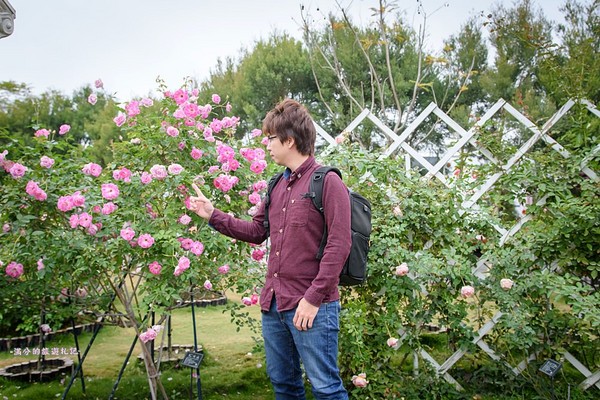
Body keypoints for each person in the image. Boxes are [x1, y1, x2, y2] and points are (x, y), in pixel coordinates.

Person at [189, 98, 351, 400]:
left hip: (311, 307)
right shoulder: (277, 184)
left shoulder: (327, 182)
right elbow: (256, 232)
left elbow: (339, 246)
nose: (267, 144)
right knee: (284, 385)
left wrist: (313, 299)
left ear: (289, 140)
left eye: (271, 138)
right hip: (274, 305)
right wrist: (213, 215)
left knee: (326, 388)